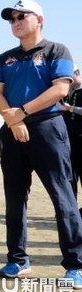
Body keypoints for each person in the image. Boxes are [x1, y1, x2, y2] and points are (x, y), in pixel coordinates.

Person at [0, 0, 82, 288]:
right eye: (11, 18)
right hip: (13, 130)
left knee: (63, 196)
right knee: (15, 198)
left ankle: (75, 264)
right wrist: (14, 121)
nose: (15, 21)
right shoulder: (5, 57)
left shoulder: (57, 50)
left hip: (47, 129)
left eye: (21, 16)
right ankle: (18, 260)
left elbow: (60, 88)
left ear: (39, 19)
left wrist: (24, 112)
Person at [60, 64, 82, 200]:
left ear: (77, 73)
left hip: (81, 138)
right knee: (70, 174)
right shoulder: (67, 92)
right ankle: (71, 207)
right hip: (69, 139)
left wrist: (71, 108)